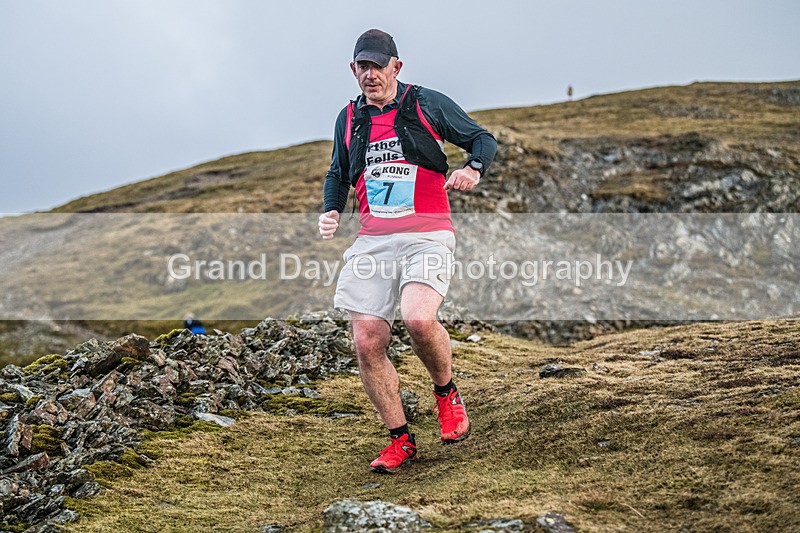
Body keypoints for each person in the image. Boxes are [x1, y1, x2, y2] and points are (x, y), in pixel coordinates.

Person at [318, 29, 496, 474]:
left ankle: (446, 393)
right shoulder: (348, 118)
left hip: (427, 234)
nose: (370, 74)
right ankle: (400, 440)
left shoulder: (426, 103)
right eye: (363, 66)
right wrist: (332, 211)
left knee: (418, 318)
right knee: (366, 340)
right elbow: (338, 173)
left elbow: (482, 139)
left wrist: (473, 168)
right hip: (374, 241)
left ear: (397, 67)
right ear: (353, 70)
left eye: (379, 66)